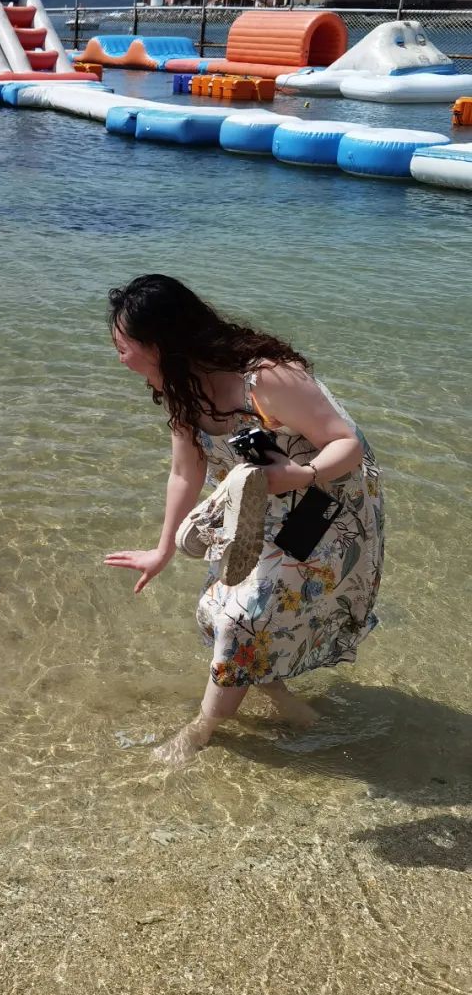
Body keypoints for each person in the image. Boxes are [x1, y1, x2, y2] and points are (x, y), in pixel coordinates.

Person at [103, 274, 384, 765]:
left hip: (327, 506)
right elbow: (183, 472)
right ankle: (288, 706)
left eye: (124, 346)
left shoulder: (267, 378)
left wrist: (301, 474)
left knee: (241, 619)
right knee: (216, 611)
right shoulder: (183, 389)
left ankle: (204, 728)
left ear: (160, 344)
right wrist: (163, 547)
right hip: (257, 512)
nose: (120, 357)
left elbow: (348, 442)